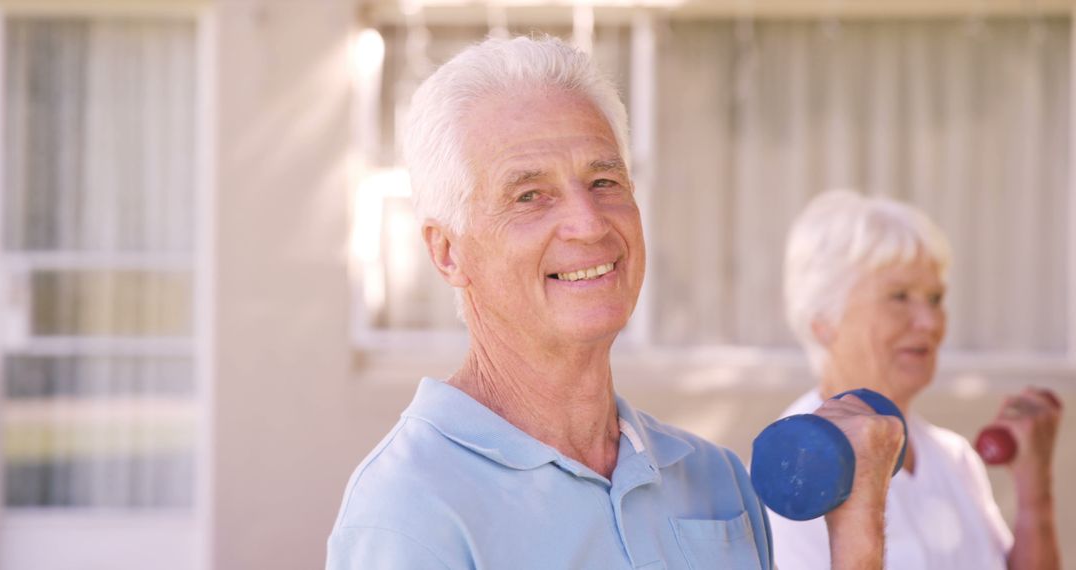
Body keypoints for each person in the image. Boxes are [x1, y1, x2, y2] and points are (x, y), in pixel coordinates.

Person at [327, 36, 904, 569]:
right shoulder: (407, 511)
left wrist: (856, 531)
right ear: (448, 252)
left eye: (605, 182)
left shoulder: (715, 480)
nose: (587, 222)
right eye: (529, 195)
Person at [771, 189, 1063, 569]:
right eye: (899, 296)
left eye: (935, 298)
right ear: (823, 321)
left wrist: (1033, 488)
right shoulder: (789, 470)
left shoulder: (954, 458)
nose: (929, 322)